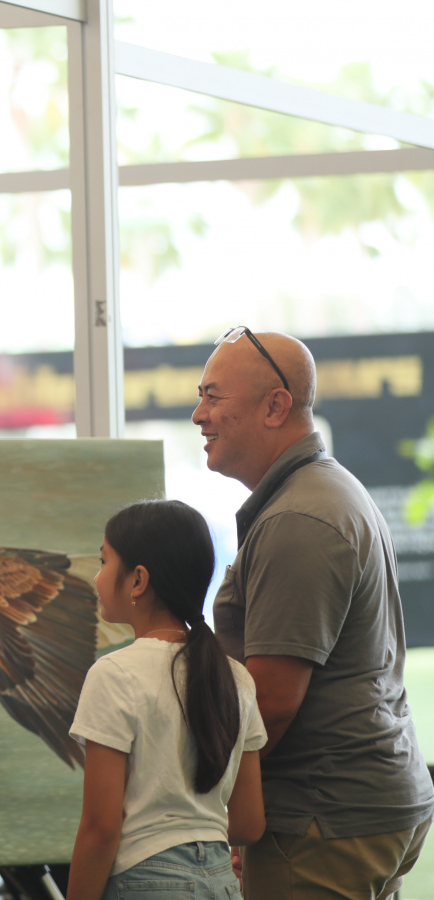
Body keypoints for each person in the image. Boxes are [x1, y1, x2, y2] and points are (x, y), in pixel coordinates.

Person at [194, 326, 434, 898]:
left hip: (322, 820)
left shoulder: (298, 518)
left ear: (275, 406)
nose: (199, 415)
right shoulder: (319, 493)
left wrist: (218, 811)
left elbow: (271, 704)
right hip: (354, 809)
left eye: (213, 397)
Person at [67, 499, 266, 900]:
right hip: (222, 883)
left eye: (103, 561)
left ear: (138, 580)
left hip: (146, 882)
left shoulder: (113, 674)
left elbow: (101, 829)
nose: (97, 577)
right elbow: (249, 823)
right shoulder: (236, 678)